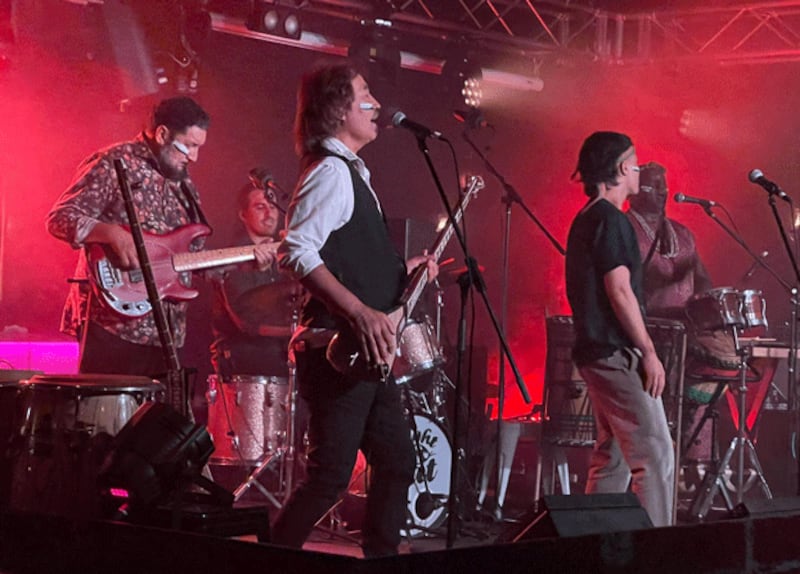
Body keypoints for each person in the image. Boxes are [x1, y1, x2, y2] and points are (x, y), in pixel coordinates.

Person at [270, 62, 437, 557]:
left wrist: (402, 273)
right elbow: (296, 250)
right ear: (339, 108)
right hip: (338, 351)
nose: (377, 106)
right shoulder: (330, 172)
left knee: (397, 460)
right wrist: (361, 313)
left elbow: (348, 258)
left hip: (368, 354)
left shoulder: (352, 173)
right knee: (329, 477)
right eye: (365, 94)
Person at [46, 96, 215, 378]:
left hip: (167, 334)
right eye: (191, 145)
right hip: (114, 323)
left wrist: (236, 263)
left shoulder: (185, 185)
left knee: (159, 422)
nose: (194, 157)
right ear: (162, 134)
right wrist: (109, 233)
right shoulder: (114, 162)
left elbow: (191, 257)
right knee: (106, 420)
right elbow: (60, 218)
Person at [565, 131, 674, 527]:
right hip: (615, 352)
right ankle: (661, 553)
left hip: (595, 352)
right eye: (636, 161)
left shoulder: (587, 217)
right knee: (655, 454)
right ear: (622, 168)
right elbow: (620, 290)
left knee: (611, 459)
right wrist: (648, 350)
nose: (641, 170)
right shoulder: (612, 220)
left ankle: (592, 546)